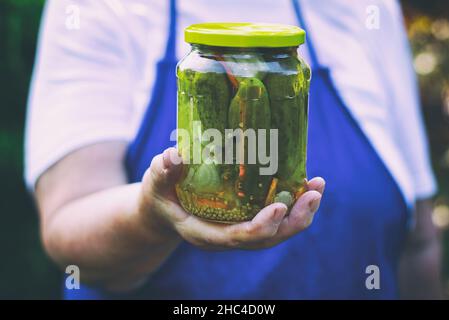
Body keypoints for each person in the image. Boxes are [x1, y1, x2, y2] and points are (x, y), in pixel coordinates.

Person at [25, 0, 442, 299]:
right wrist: (150, 216)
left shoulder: (365, 10)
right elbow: (68, 222)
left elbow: (419, 239)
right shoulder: (102, 7)